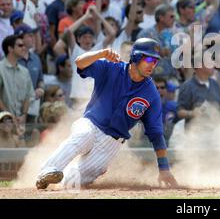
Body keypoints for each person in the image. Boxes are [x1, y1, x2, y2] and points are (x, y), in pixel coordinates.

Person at [36, 38, 178, 189]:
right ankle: (46, 171)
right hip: (91, 124)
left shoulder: (151, 93)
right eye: (149, 58)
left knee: (73, 182)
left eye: (155, 61)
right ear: (136, 56)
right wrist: (100, 54)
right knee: (82, 136)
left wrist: (164, 169)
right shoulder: (112, 68)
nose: (152, 64)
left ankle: (52, 183)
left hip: (112, 143)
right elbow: (79, 63)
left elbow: (156, 134)